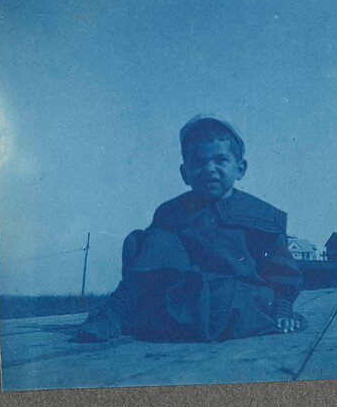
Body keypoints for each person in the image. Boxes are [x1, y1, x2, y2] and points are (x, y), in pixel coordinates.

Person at [77, 114, 306, 344]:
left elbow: (283, 273)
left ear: (240, 168)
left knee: (247, 303)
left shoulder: (260, 216)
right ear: (185, 173)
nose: (209, 168)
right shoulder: (171, 213)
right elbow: (147, 268)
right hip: (180, 298)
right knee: (151, 241)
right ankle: (115, 312)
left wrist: (283, 309)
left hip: (236, 299)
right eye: (198, 161)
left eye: (220, 160)